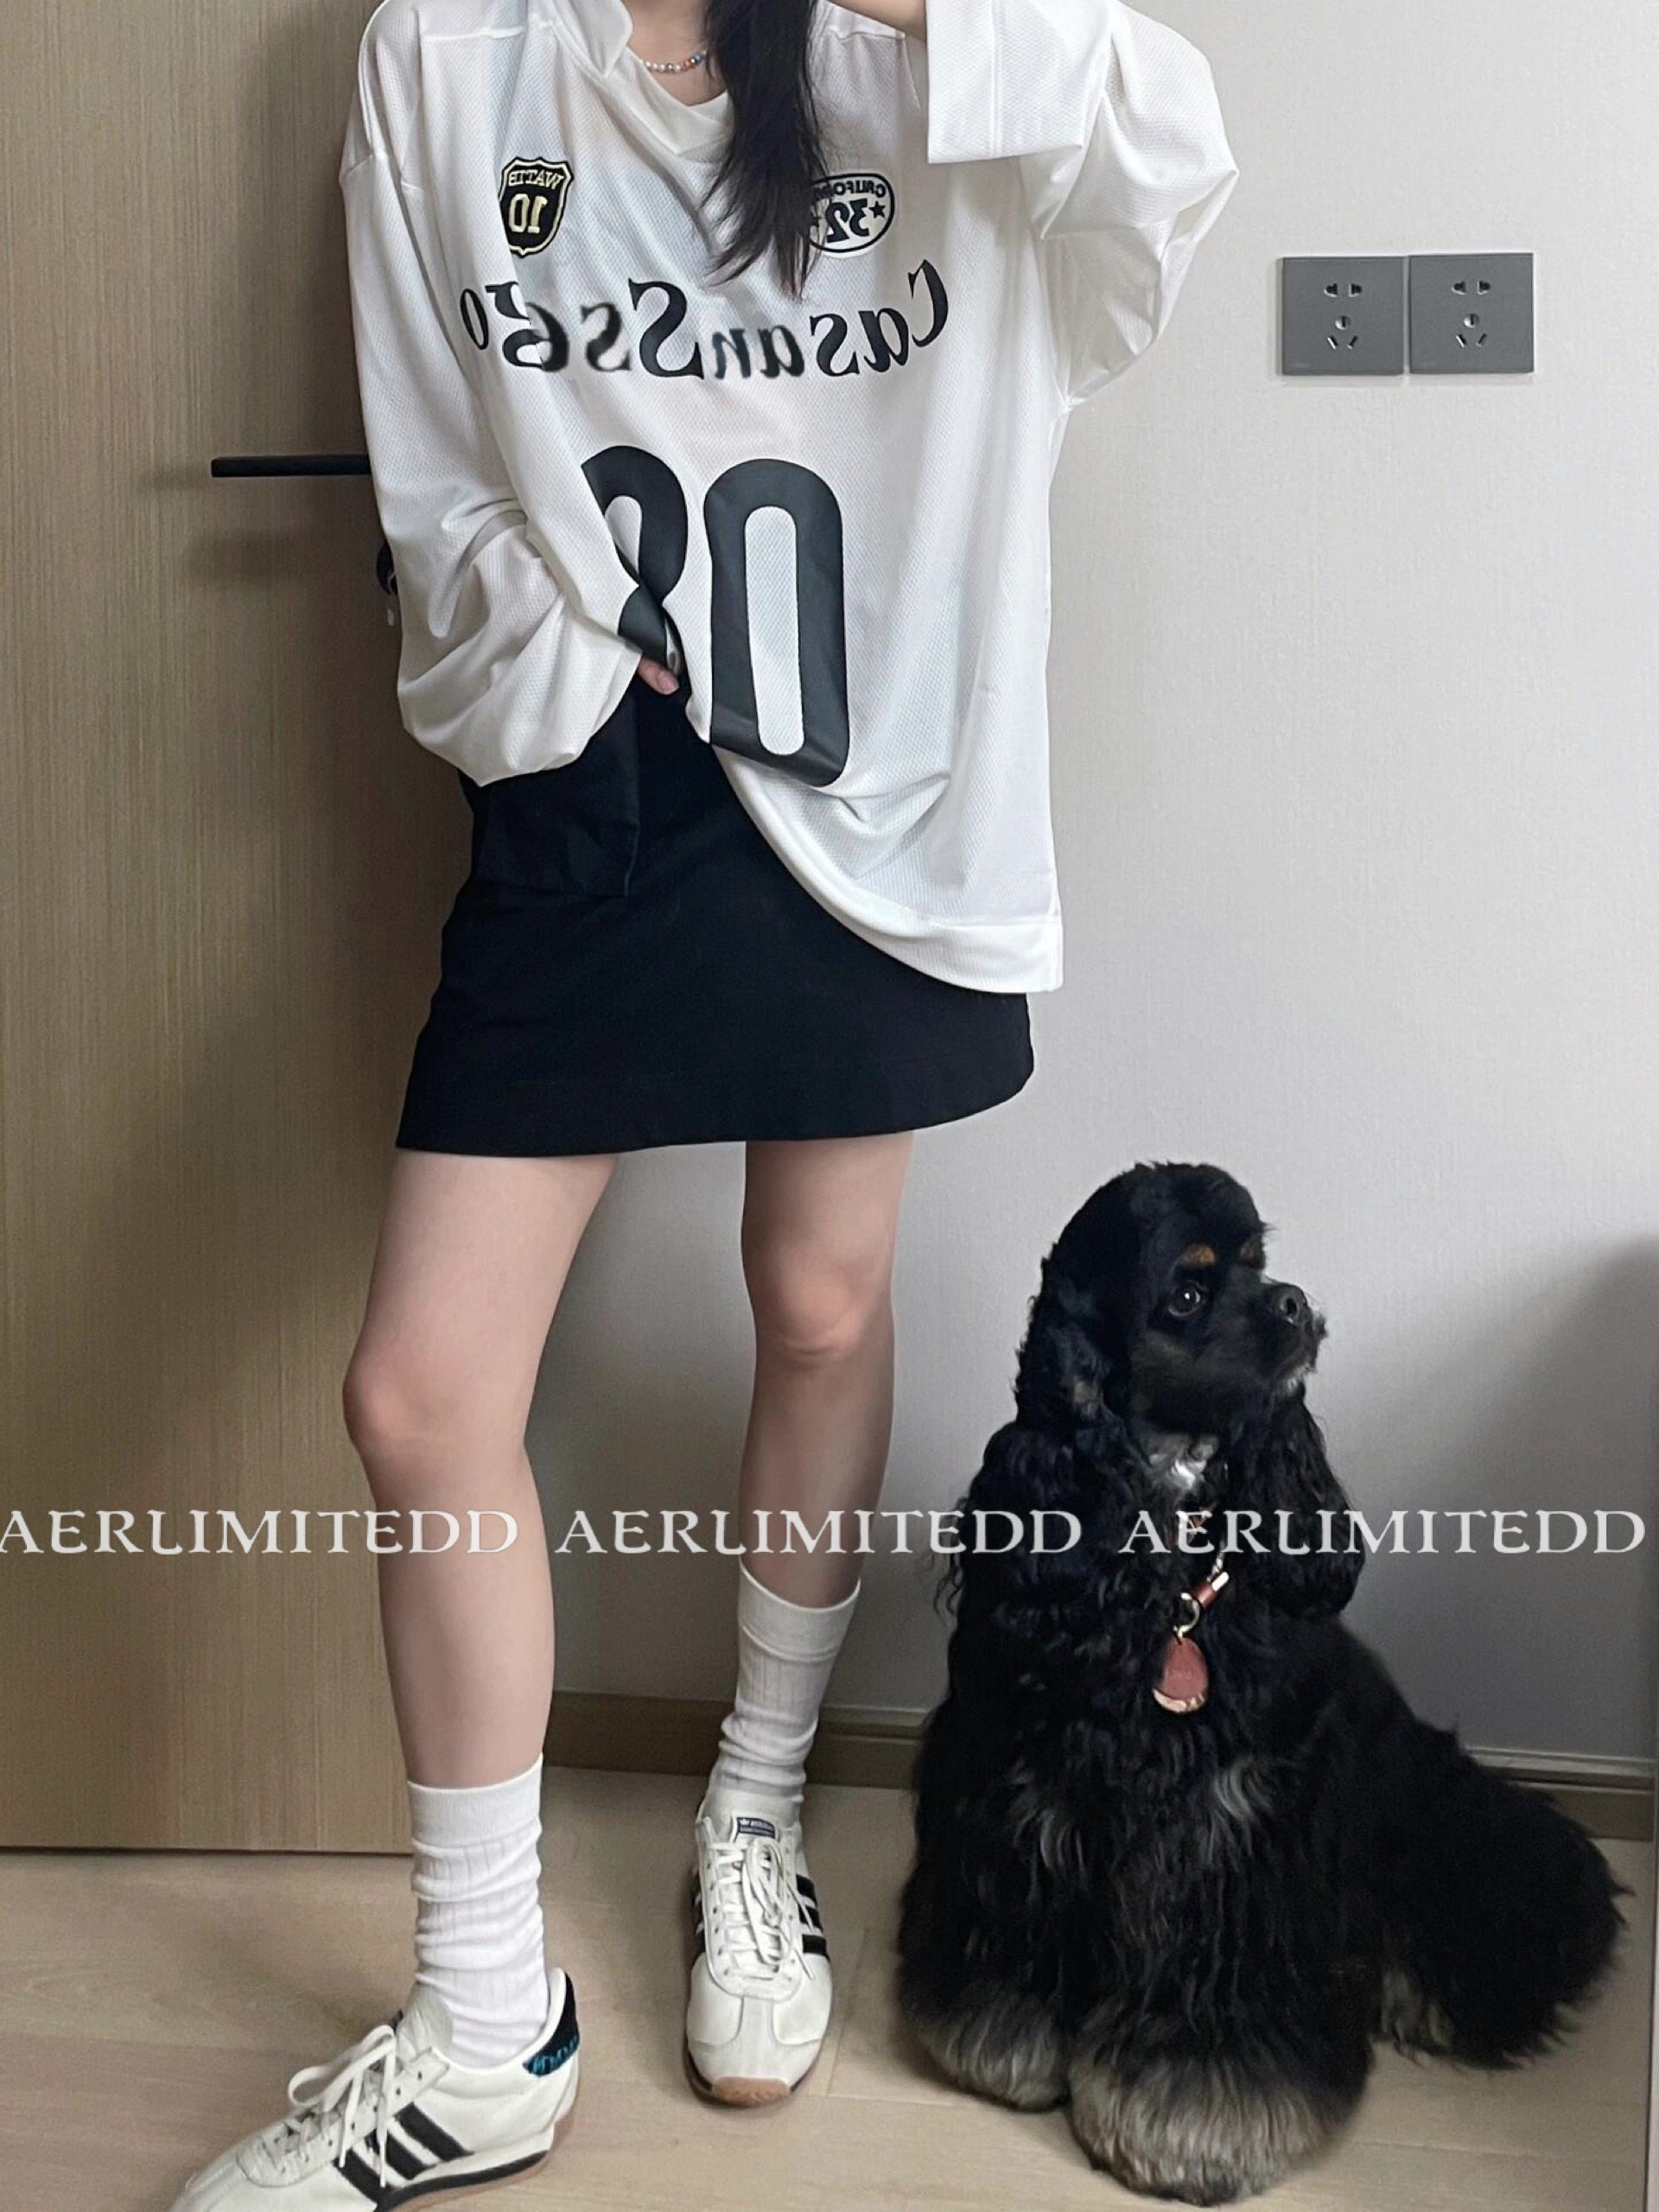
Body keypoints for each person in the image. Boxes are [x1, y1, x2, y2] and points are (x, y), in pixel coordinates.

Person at [166, 0, 1236, 2203]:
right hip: (601, 774)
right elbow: (434, 443)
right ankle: (486, 2018)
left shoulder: (912, 46)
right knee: (416, 1390)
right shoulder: (445, 51)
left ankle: (754, 1806)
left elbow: (1160, 166)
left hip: (882, 768)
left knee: (819, 1301)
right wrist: (557, 674)